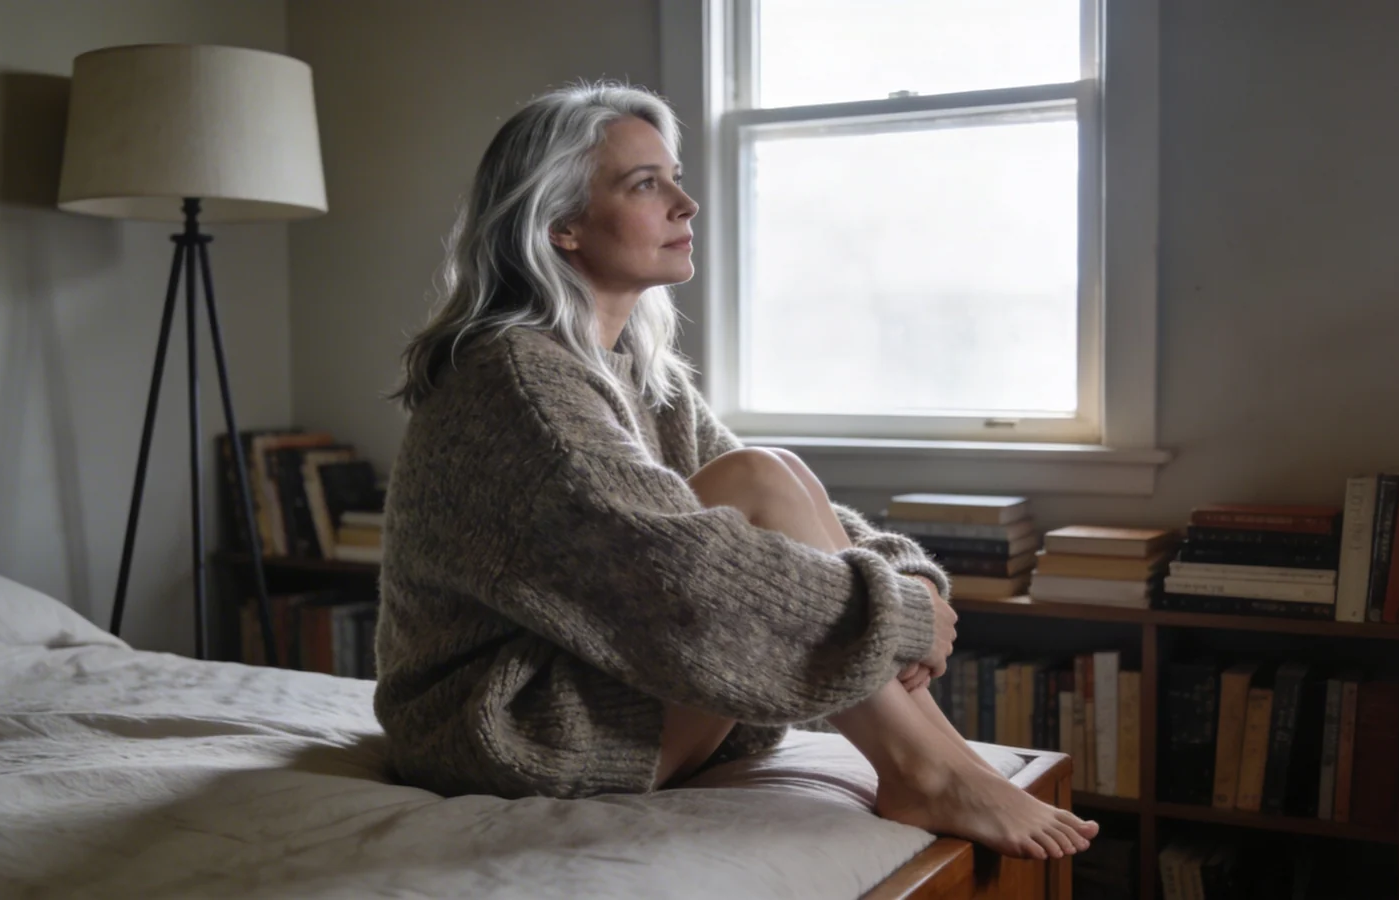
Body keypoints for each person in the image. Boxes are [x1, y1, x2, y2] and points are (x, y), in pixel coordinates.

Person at [376, 80, 1099, 861]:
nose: (686, 204)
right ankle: (924, 768)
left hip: (595, 677)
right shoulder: (514, 380)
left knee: (764, 470)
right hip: (506, 727)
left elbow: (786, 510)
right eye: (645, 185)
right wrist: (900, 614)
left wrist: (904, 580)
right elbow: (681, 577)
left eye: (676, 178)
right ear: (561, 225)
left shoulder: (630, 369)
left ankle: (940, 761)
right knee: (756, 477)